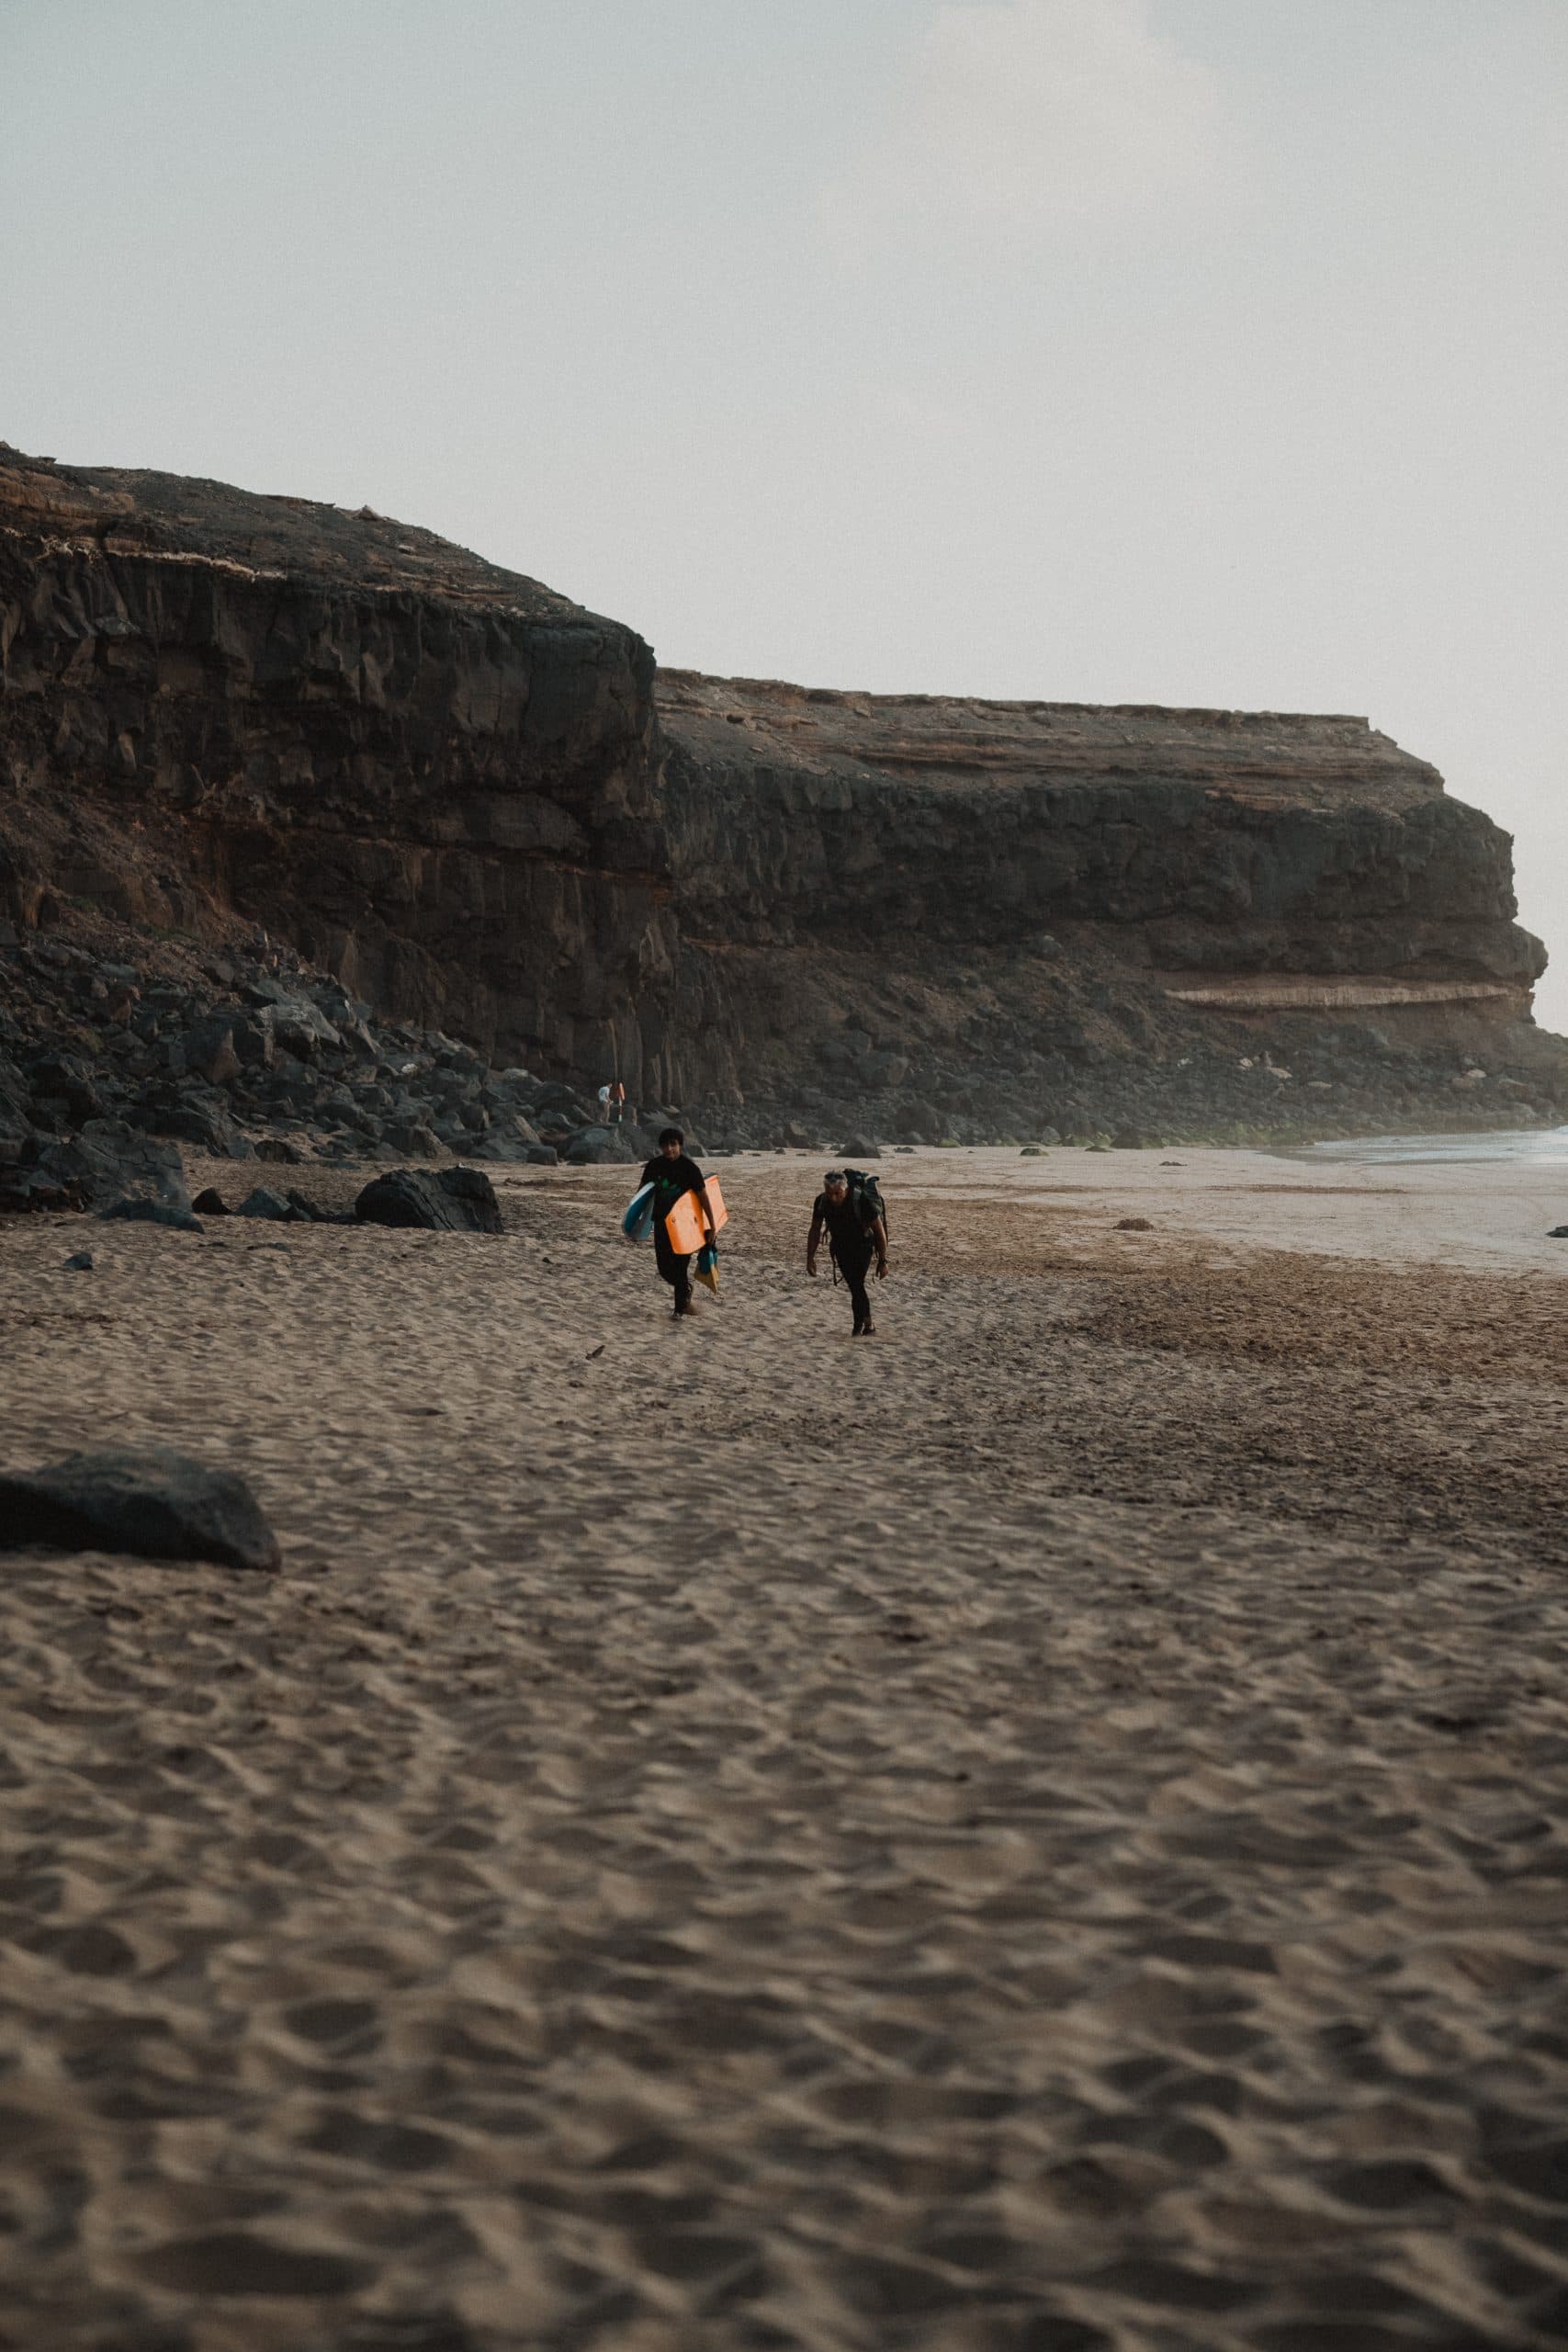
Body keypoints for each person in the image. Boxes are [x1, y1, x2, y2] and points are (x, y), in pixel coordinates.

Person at [639, 1127, 717, 1318]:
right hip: (661, 1223)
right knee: (665, 1269)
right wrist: (637, 1225)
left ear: (680, 1145)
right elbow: (643, 1194)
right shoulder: (653, 1166)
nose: (669, 1149)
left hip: (686, 1226)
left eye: (673, 1145)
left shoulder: (690, 1169)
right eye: (665, 1145)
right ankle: (686, 1290)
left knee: (680, 1267)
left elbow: (703, 1198)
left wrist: (712, 1226)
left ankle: (679, 1309)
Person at [807, 1170, 888, 1336]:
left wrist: (883, 1261)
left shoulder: (861, 1200)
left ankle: (865, 1325)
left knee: (856, 1283)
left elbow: (879, 1232)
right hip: (840, 1247)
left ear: (847, 1189)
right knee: (853, 1285)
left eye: (838, 1193)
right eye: (830, 1193)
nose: (834, 1198)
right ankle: (860, 1324)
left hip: (863, 1245)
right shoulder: (821, 1202)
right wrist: (810, 1258)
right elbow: (815, 1230)